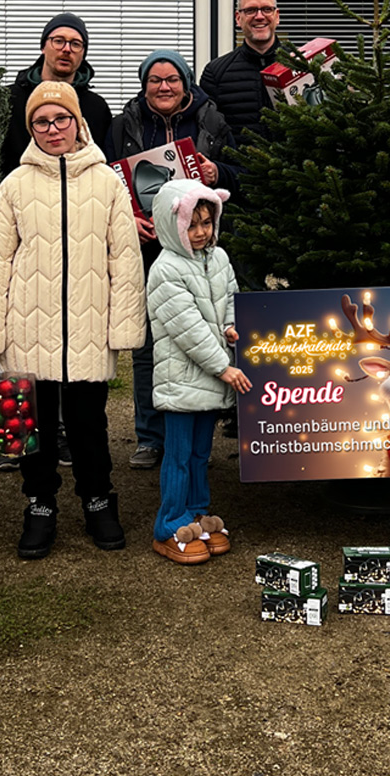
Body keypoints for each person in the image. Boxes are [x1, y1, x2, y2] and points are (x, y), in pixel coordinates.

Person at [0, 82, 146, 559]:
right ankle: (40, 503)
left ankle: (97, 499)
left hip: (89, 326)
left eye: (61, 119)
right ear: (31, 129)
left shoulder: (107, 182)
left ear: (78, 123)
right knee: (37, 424)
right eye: (42, 122)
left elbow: (125, 260)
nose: (53, 130)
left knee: (89, 422)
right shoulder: (15, 185)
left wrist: (124, 325)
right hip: (28, 326)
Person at [106, 50, 239, 469]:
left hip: (198, 250)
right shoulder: (123, 124)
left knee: (204, 331)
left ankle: (197, 426)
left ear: (185, 83)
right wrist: (127, 217)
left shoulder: (211, 120)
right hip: (145, 250)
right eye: (154, 80)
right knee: (149, 343)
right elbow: (109, 181)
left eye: (172, 79)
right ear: (144, 85)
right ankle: (150, 436)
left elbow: (240, 170)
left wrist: (217, 172)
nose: (163, 87)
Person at [142, 180, 250, 564]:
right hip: (183, 377)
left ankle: (198, 514)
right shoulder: (166, 270)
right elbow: (187, 328)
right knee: (179, 452)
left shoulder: (218, 259)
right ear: (174, 226)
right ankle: (169, 522)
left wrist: (234, 329)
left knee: (201, 453)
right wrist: (224, 366)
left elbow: (228, 303)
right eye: (193, 224)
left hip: (210, 378)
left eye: (207, 222)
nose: (201, 232)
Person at [0, 12, 114, 177]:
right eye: (59, 41)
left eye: (76, 44)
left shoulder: (96, 108)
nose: (67, 49)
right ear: (43, 46)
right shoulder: (9, 100)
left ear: (83, 54)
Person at [200, 0, 283, 139]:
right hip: (238, 165)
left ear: (277, 16)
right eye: (251, 10)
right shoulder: (215, 73)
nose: (259, 16)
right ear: (238, 18)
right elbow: (209, 135)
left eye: (266, 9)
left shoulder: (300, 65)